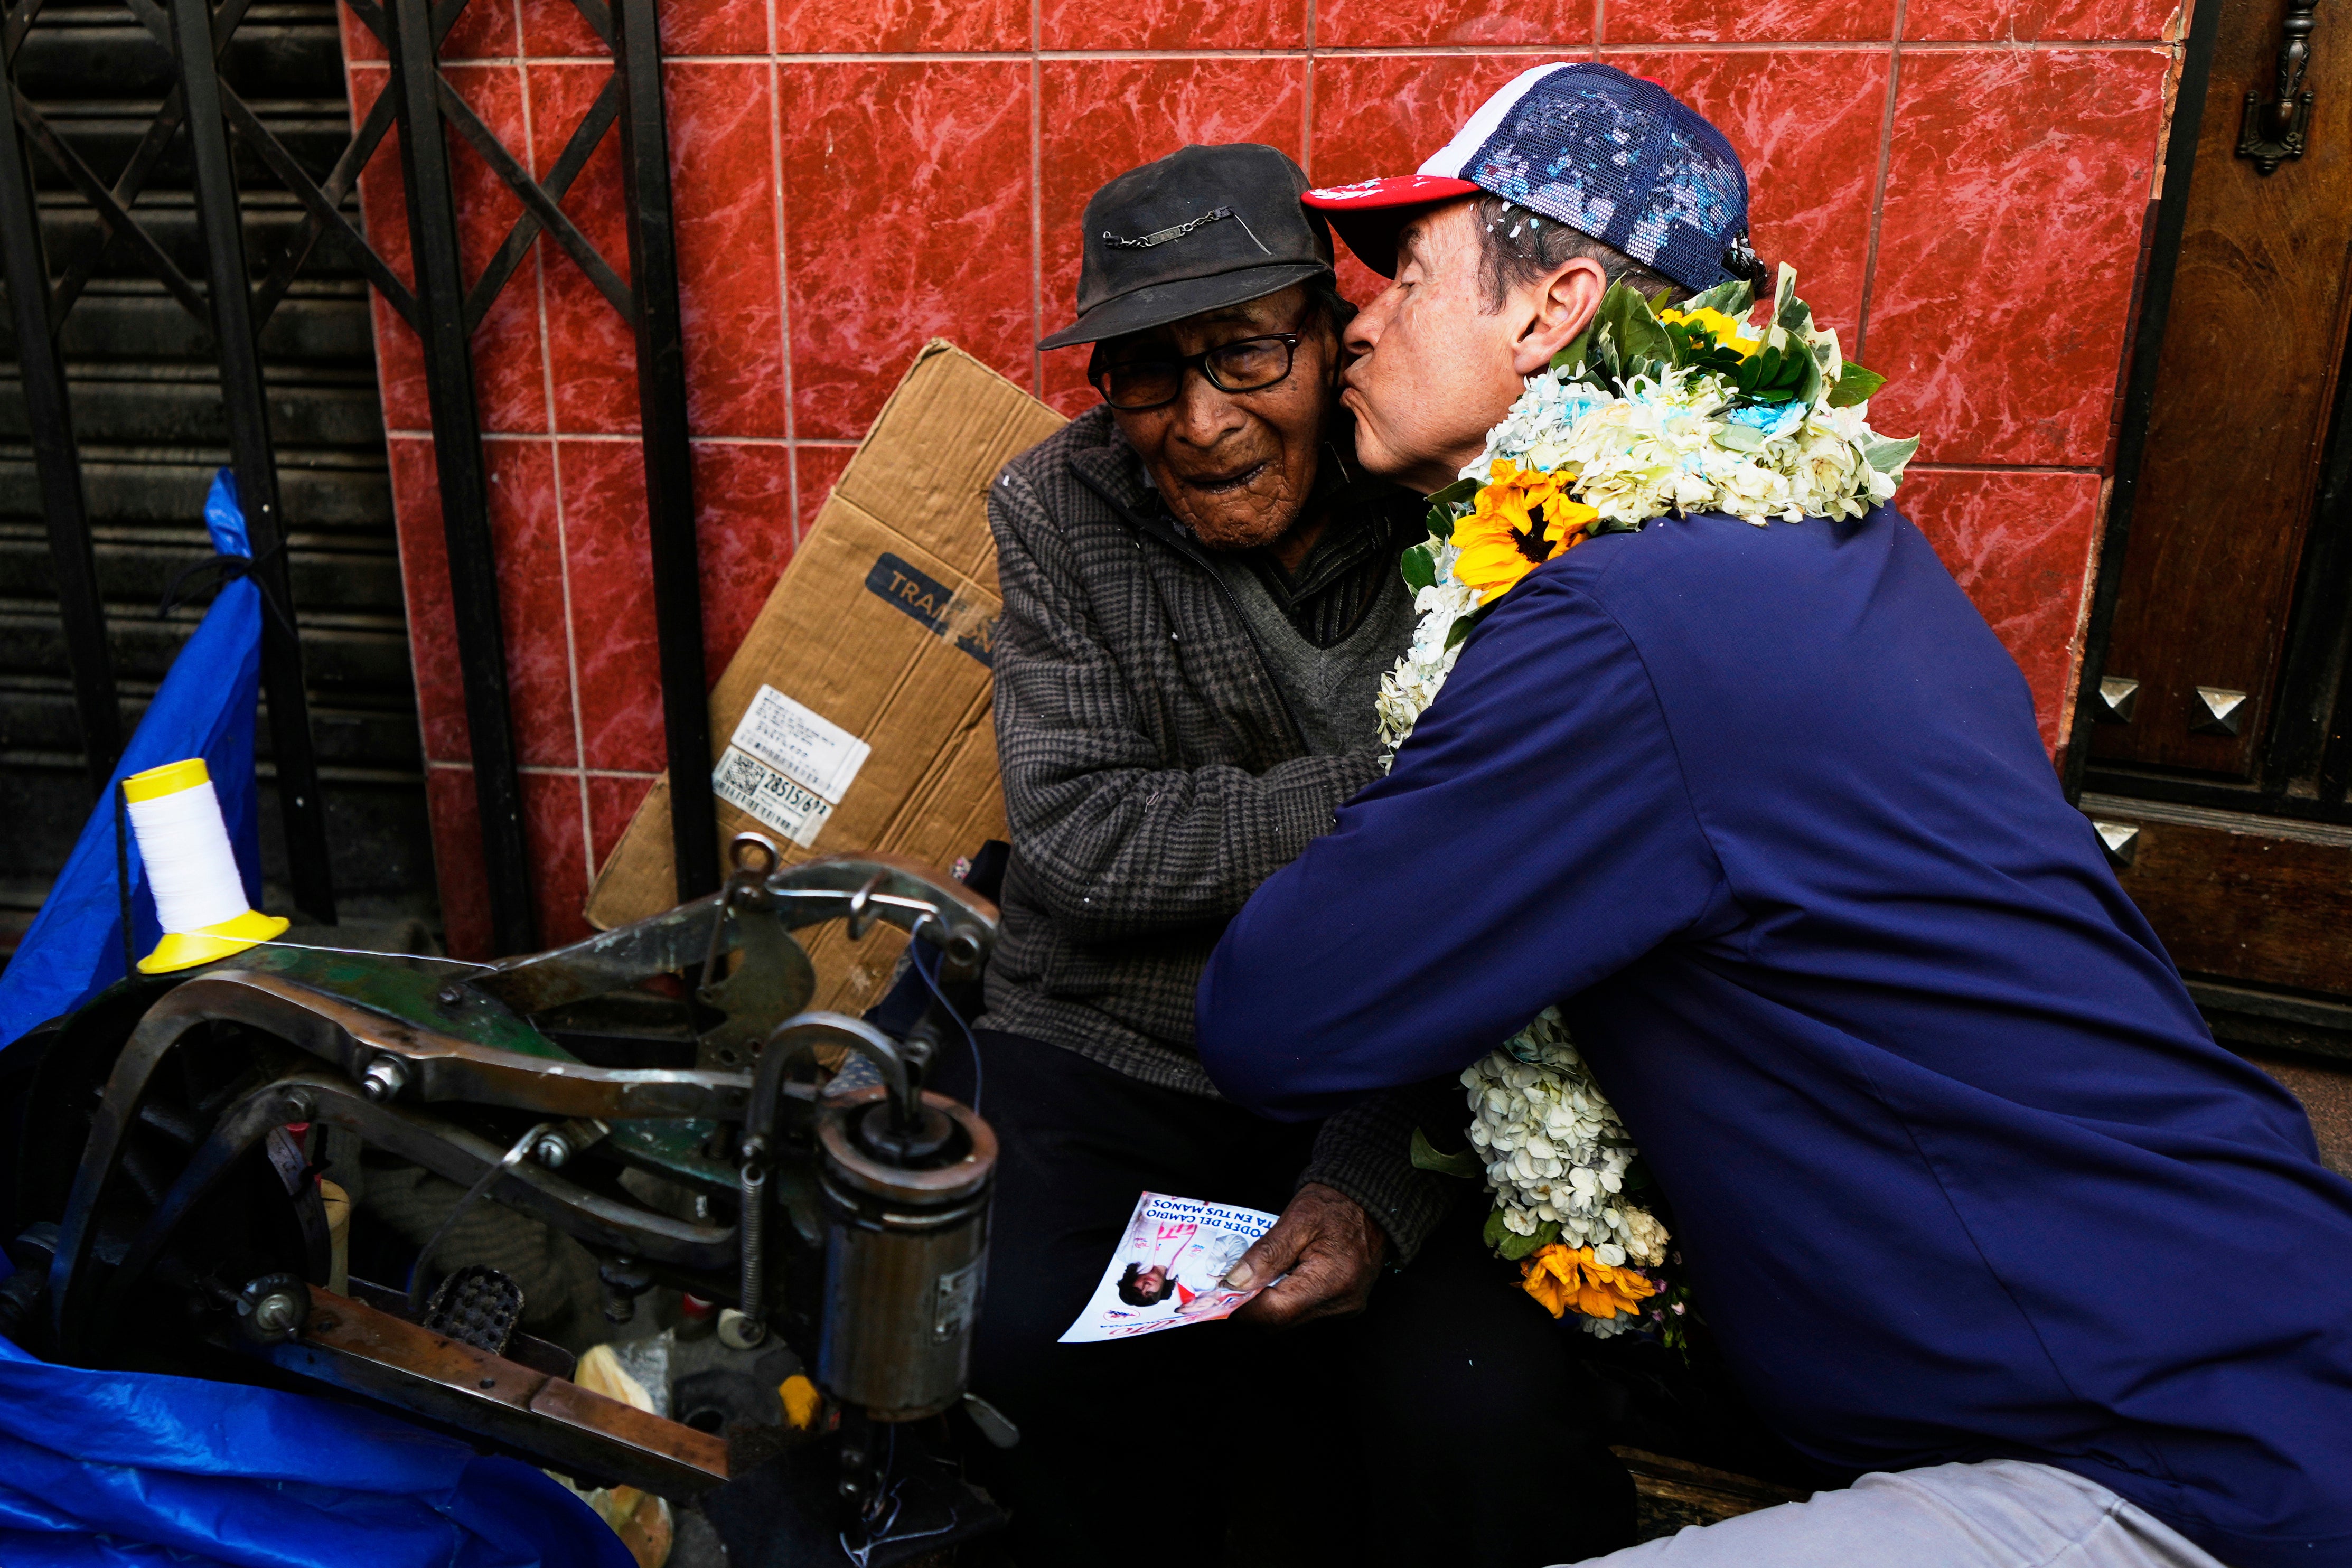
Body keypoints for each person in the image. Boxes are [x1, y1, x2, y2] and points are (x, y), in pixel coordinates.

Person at [1196, 62, 2352, 1568]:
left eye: (1405, 276)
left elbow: (1274, 1013)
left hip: (2154, 1456)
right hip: (2241, 1313)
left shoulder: (1621, 619)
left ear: (1548, 311)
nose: (1359, 321)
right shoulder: (1829, 536)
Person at [953, 140, 1639, 1566]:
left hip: (1389, 1056)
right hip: (1113, 1045)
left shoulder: (1458, 500)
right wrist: (1403, 792)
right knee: (1015, 1335)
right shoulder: (1057, 507)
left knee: (1475, 1405)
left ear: (1336, 334)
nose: (1200, 422)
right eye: (1147, 371)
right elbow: (1080, 847)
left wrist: (1369, 1179)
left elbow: (1507, 885)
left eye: (1249, 355)